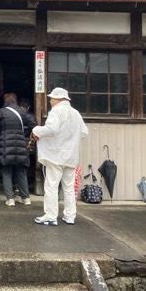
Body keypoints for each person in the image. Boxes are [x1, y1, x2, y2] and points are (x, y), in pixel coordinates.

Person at [31, 87, 88, 226]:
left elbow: (51, 129)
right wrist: (70, 140)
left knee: (51, 185)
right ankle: (70, 216)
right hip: (71, 156)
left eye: (51, 98)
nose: (50, 100)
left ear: (58, 99)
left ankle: (50, 215)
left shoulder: (56, 111)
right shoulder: (75, 113)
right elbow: (84, 132)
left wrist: (36, 130)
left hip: (55, 155)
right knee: (68, 187)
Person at [0, 92, 34, 207]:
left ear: (5, 101)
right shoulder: (22, 112)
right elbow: (33, 125)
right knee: (21, 172)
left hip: (5, 145)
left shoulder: (1, 112)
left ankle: (10, 199)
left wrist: (0, 136)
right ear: (16, 101)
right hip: (20, 145)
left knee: (7, 172)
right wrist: (23, 134)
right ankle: (26, 198)